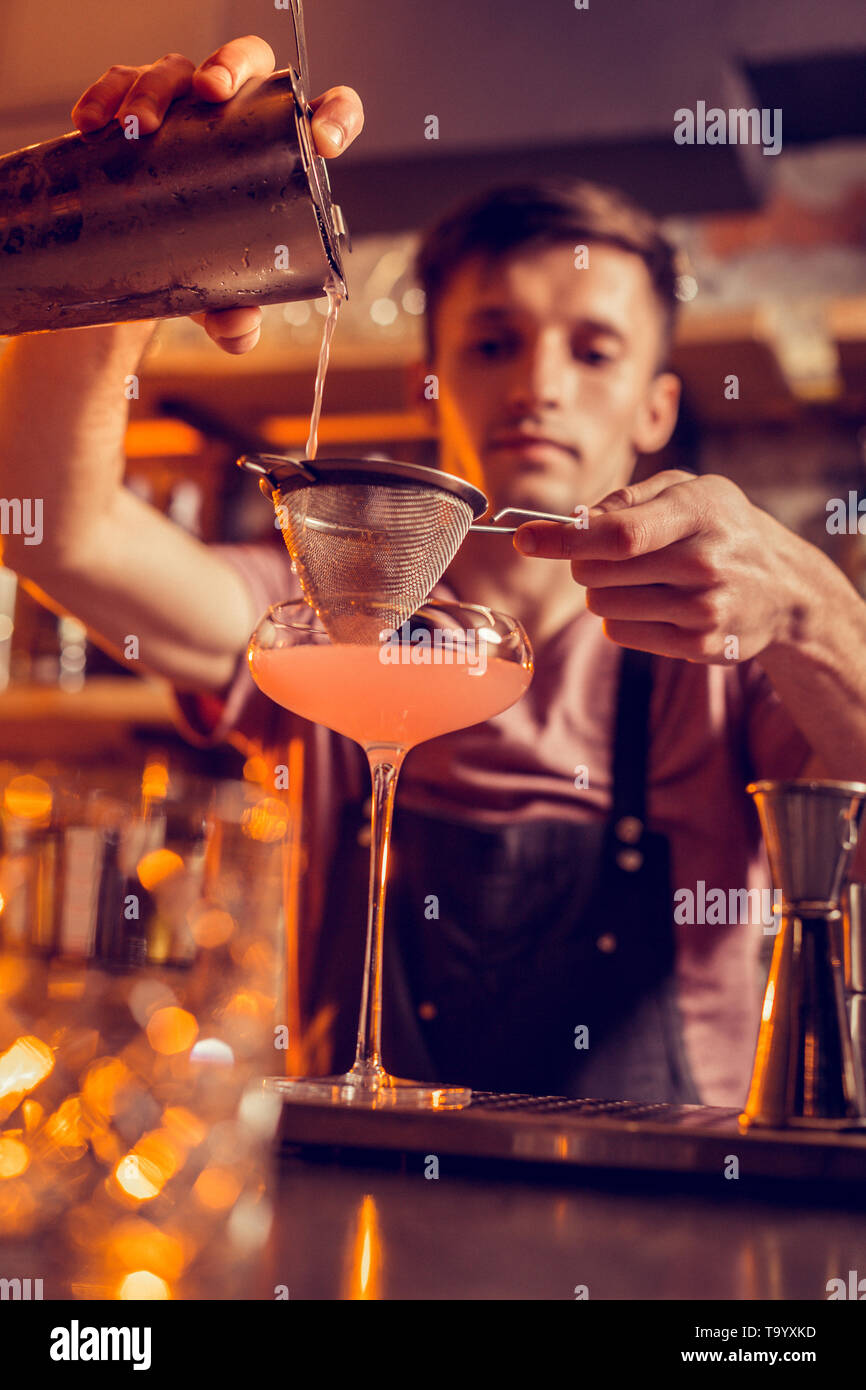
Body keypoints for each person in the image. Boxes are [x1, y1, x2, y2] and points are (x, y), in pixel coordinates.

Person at [3, 35, 866, 1106]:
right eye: (493, 343)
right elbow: (50, 527)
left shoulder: (727, 652)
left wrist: (814, 608)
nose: (536, 387)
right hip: (349, 1216)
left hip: (653, 1215)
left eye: (592, 351)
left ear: (657, 407)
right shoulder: (315, 610)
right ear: (430, 383)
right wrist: (130, 217)